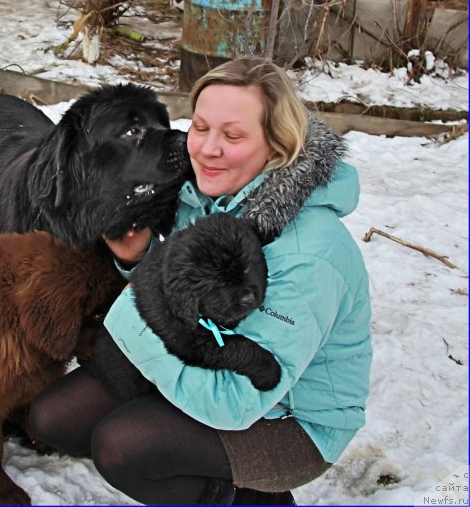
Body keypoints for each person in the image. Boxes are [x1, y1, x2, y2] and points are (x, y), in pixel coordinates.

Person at [29, 57, 372, 505]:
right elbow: (189, 285)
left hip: (286, 418)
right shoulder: (211, 194)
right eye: (200, 127)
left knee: (122, 446)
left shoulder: (311, 254)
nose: (207, 149)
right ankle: (173, 436)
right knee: (52, 420)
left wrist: (134, 314)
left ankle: (252, 500)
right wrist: (140, 262)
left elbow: (237, 403)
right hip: (208, 358)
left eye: (232, 136)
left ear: (277, 145)